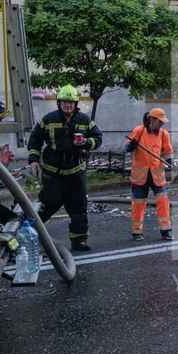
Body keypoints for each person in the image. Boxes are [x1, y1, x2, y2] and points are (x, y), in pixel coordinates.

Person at [27, 85, 102, 252]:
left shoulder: (84, 120)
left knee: (79, 208)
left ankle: (79, 241)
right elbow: (35, 138)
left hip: (76, 172)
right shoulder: (48, 119)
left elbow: (98, 137)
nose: (68, 105)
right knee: (47, 205)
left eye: (71, 103)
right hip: (53, 172)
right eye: (64, 103)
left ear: (76, 104)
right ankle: (27, 236)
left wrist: (86, 143)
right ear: (59, 103)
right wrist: (33, 159)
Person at [126, 108, 174, 241]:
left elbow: (168, 151)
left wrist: (170, 160)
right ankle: (137, 232)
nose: (162, 124)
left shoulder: (164, 134)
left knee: (163, 202)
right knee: (138, 204)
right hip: (140, 175)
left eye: (162, 122)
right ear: (152, 119)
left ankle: (166, 231)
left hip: (157, 175)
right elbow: (127, 147)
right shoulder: (139, 131)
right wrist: (132, 146)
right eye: (160, 121)